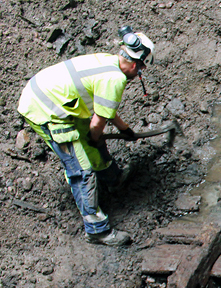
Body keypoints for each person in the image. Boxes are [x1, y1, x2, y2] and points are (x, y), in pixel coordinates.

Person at [17, 27, 156, 246]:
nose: (139, 73)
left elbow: (105, 108)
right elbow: (98, 121)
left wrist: (124, 130)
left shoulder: (108, 61)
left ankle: (113, 180)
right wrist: (95, 136)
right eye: (141, 68)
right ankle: (97, 231)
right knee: (81, 170)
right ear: (134, 64)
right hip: (46, 111)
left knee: (94, 143)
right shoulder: (115, 79)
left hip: (57, 99)